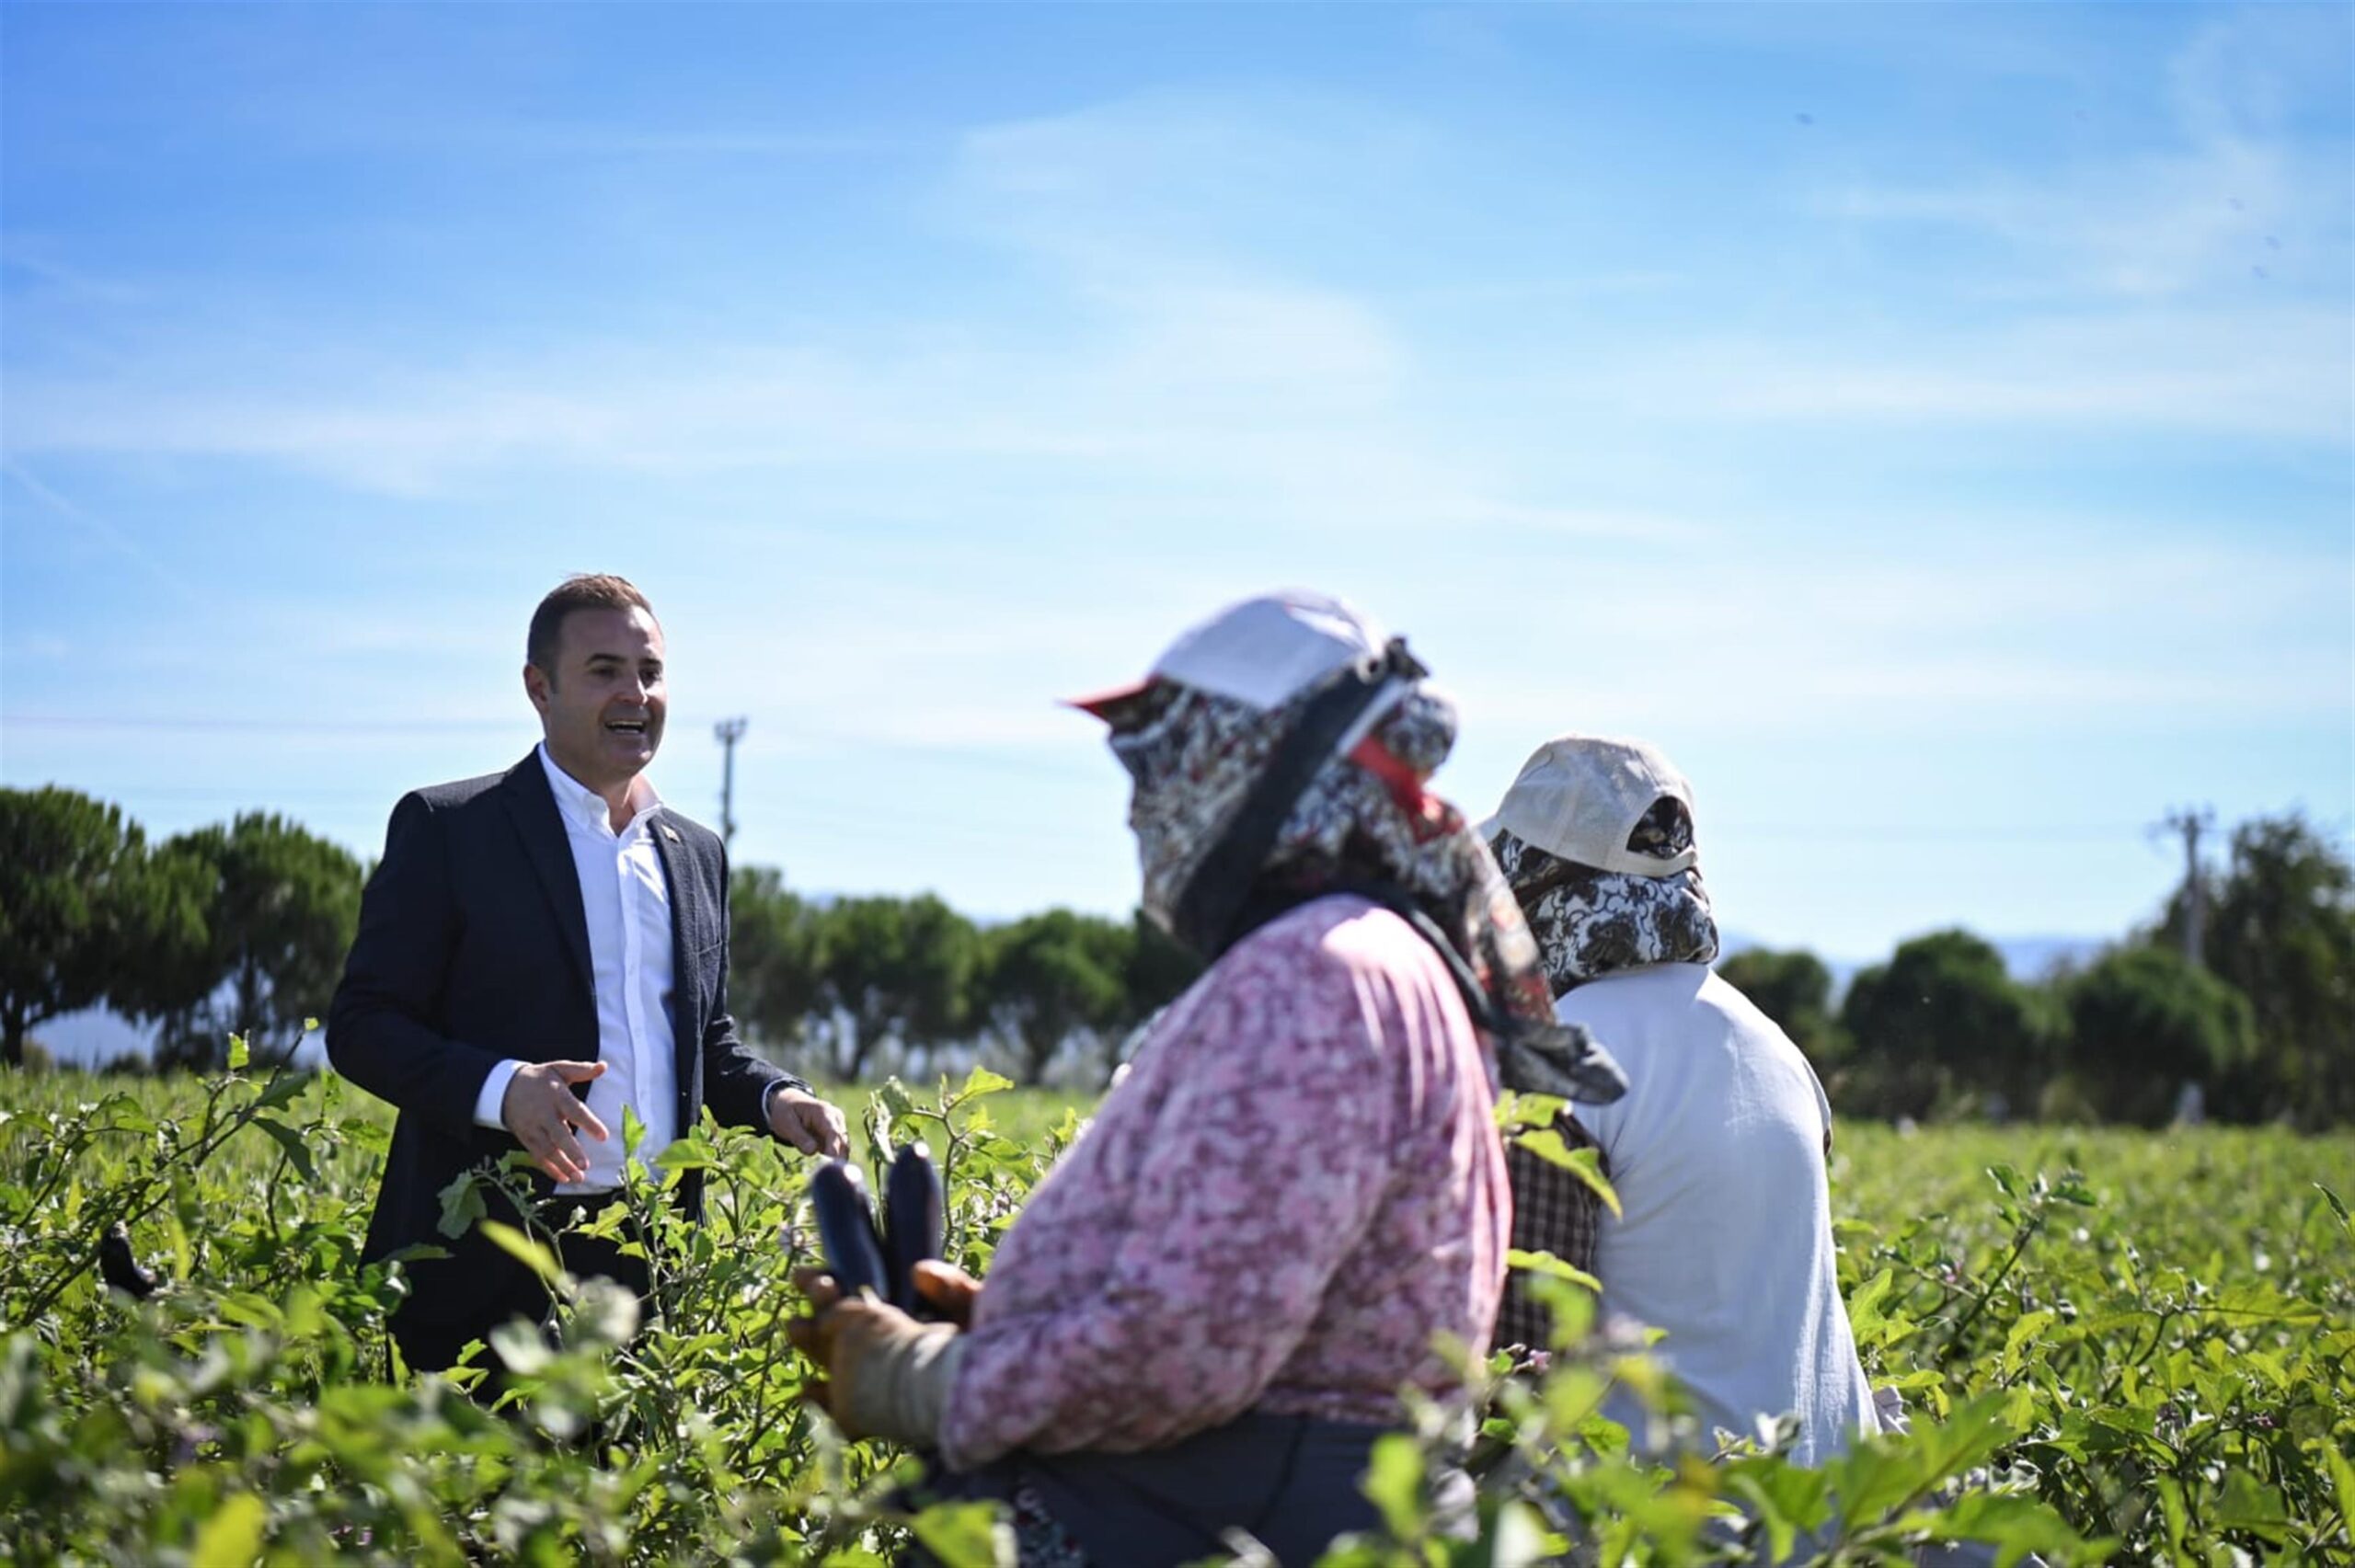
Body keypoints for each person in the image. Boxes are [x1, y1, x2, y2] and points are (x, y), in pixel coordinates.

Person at [788, 590, 1625, 1568]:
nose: (1143, 804)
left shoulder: (1315, 974)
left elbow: (1186, 1347)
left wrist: (931, 1380)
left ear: (1254, 763)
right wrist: (1025, 1330)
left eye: (1165, 761)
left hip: (1223, 1515)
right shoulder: (1389, 957)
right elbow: (1260, 1291)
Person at [327, 573, 847, 1375]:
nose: (635, 692)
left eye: (650, 671)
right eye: (604, 670)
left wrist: (778, 1097)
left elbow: (704, 1039)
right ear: (540, 688)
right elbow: (363, 1027)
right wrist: (504, 1090)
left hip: (645, 1266)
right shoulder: (451, 829)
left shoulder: (695, 853)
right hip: (482, 1264)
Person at [1486, 734, 1879, 1467]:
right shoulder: (1777, 1049)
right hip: (1834, 1510)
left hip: (1665, 1522)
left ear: (1529, 888)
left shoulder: (1557, 1061)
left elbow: (1519, 1370)